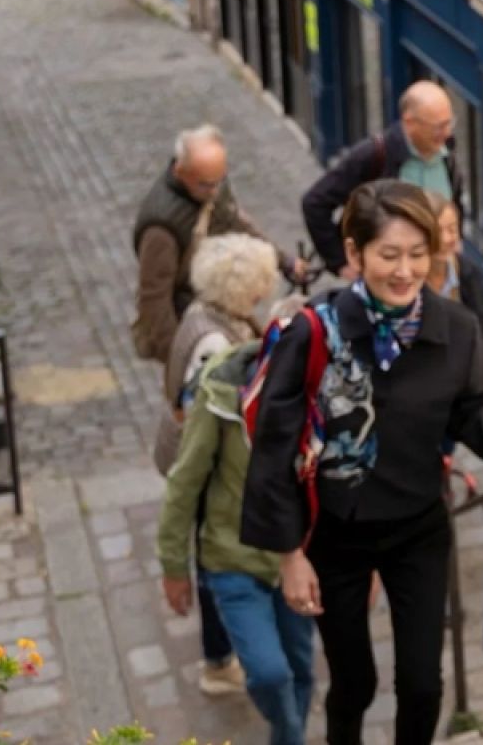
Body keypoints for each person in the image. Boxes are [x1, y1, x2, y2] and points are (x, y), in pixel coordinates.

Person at [240, 180, 483, 745]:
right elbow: (274, 449)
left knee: (423, 685)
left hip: (417, 528)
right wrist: (290, 555)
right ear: (354, 254)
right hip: (336, 538)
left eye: (418, 255)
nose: (405, 270)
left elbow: (475, 418)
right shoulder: (313, 333)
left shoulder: (456, 329)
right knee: (354, 683)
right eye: (389, 255)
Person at [156, 301, 316, 745]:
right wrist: (173, 565)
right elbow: (183, 483)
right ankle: (291, 737)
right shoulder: (223, 392)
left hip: (300, 563)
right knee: (268, 673)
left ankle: (287, 738)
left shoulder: (325, 398)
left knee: (301, 669)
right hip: (234, 560)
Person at [149, 233, 281, 697]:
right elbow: (201, 415)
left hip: (201, 458)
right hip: (204, 463)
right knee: (212, 555)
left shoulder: (210, 314)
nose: (266, 290)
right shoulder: (213, 341)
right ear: (241, 289)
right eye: (262, 282)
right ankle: (219, 660)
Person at [133, 124, 300, 365]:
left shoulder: (210, 185)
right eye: (206, 184)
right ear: (180, 171)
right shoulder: (160, 229)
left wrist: (284, 261)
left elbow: (236, 223)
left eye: (219, 181)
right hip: (187, 321)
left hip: (212, 305)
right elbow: (155, 302)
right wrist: (180, 362)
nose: (214, 191)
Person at [303, 81, 465, 281]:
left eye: (449, 123)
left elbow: (455, 200)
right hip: (394, 280)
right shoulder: (373, 156)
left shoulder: (446, 150)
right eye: (438, 126)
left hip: (440, 275)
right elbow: (314, 203)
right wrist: (341, 264)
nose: (447, 132)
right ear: (410, 122)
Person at [431, 196, 483, 360]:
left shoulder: (469, 274)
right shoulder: (408, 281)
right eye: (438, 231)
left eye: (452, 229)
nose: (446, 238)